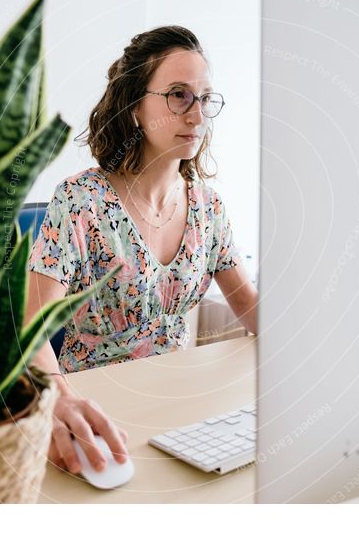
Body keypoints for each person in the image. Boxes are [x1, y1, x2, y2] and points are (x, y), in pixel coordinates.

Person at [27, 25, 258, 476]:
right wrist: (59, 397)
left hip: (177, 410)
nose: (197, 115)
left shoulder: (209, 207)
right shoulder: (80, 201)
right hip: (95, 417)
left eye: (205, 98)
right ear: (135, 107)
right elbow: (31, 324)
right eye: (178, 95)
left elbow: (247, 303)